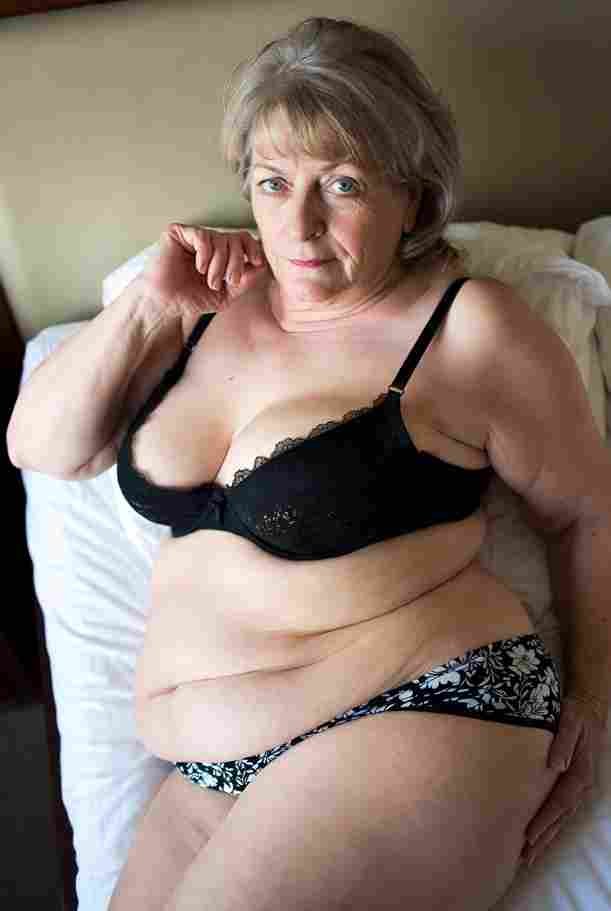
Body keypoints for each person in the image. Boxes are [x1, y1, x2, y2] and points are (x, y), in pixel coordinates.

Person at [8, 16, 610, 911]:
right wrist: (146, 307)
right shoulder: (203, 308)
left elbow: (588, 513)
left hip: (420, 703)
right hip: (211, 774)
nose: (300, 223)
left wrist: (594, 700)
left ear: (413, 196)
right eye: (273, 182)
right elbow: (41, 448)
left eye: (342, 184)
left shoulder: (471, 329)